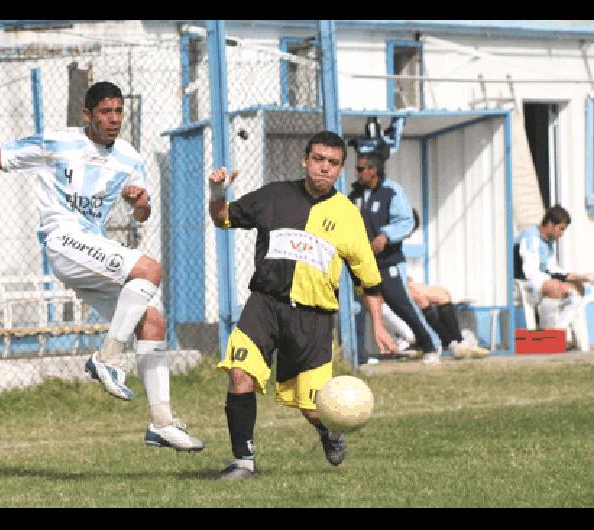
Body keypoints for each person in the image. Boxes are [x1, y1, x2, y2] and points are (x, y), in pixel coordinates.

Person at [0, 81, 203, 451]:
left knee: (153, 321)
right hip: (63, 241)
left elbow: (142, 213)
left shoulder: (129, 157)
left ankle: (160, 422)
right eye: (106, 113)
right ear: (87, 115)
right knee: (150, 269)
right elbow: (5, 158)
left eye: (119, 112)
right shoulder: (58, 143)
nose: (114, 119)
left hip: (90, 249)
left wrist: (139, 201)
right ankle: (107, 358)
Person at [208, 130, 397, 480]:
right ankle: (243, 463)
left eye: (333, 163)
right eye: (319, 160)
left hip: (313, 319)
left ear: (340, 170)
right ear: (305, 160)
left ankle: (329, 431)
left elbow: (368, 281)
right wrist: (217, 192)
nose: (324, 168)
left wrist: (379, 326)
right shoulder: (274, 196)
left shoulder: (347, 216)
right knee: (240, 375)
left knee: (315, 408)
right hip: (265, 304)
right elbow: (222, 219)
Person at [346, 151, 438, 365]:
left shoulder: (391, 191)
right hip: (361, 264)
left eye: (361, 169)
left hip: (387, 262)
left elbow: (406, 221)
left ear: (373, 170)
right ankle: (358, 356)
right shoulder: (354, 196)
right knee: (357, 307)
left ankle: (430, 346)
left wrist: (386, 235)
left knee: (401, 303)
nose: (357, 173)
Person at [514, 205, 594, 335]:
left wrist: (576, 277)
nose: (562, 234)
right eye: (561, 229)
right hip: (522, 284)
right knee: (555, 287)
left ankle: (558, 331)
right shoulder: (531, 236)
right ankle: (546, 332)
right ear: (551, 224)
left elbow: (552, 269)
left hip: (539, 282)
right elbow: (530, 272)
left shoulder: (548, 242)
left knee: (579, 288)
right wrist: (559, 280)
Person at [383, 278, 489, 360]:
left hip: (397, 280)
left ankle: (457, 341)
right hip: (384, 284)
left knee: (442, 294)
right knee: (420, 298)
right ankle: (452, 344)